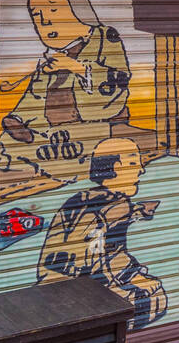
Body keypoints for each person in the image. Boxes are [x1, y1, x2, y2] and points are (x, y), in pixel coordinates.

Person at [0, 0, 132, 185]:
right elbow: (36, 96)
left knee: (70, 154)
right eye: (36, 14)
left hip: (91, 126)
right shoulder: (52, 57)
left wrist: (76, 67)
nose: (44, 21)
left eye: (52, 8)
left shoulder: (105, 38)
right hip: (51, 131)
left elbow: (119, 79)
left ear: (77, 6)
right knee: (5, 146)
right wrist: (19, 119)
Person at [36, 137, 167, 330]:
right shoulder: (98, 208)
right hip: (68, 288)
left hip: (88, 280)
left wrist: (134, 276)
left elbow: (112, 253)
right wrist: (119, 286)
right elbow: (86, 259)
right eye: (133, 163)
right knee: (144, 302)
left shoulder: (111, 202)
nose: (141, 169)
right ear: (113, 168)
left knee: (154, 295)